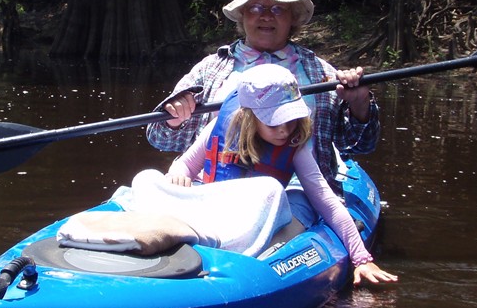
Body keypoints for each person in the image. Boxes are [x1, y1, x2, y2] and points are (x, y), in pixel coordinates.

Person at [146, 0, 380, 225]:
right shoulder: (208, 70)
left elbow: (359, 146)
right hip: (212, 185)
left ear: (292, 17)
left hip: (294, 192)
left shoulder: (321, 73)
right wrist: (172, 118)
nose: (266, 15)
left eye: (278, 8)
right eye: (255, 7)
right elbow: (160, 139)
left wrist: (360, 105)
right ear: (243, 15)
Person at [166, 64, 397, 286]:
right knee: (153, 179)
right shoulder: (221, 127)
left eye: (290, 118)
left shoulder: (295, 146)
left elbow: (326, 201)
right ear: (249, 116)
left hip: (266, 219)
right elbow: (184, 165)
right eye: (274, 122)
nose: (285, 130)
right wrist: (178, 175)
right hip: (222, 215)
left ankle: (266, 255)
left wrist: (362, 259)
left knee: (303, 200)